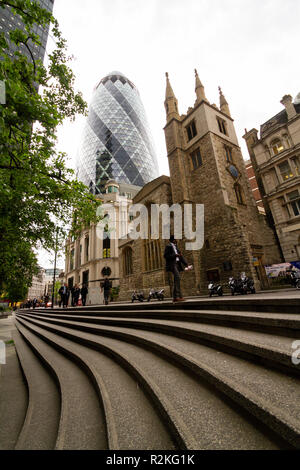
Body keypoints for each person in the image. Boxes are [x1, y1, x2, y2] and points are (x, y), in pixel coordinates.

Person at [164, 235, 190, 302]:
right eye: (175, 239)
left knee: (177, 280)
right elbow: (165, 256)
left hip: (177, 264)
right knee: (177, 278)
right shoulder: (168, 246)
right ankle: (177, 296)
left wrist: (186, 264)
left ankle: (177, 297)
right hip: (172, 264)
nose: (177, 240)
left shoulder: (176, 247)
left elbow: (181, 257)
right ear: (173, 240)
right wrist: (175, 255)